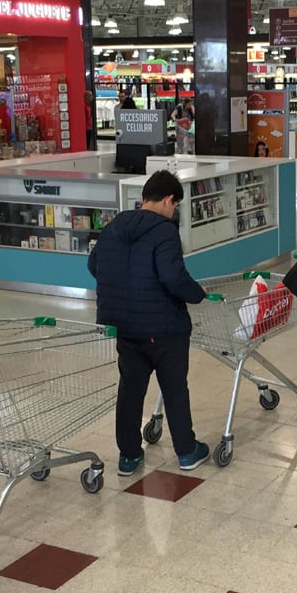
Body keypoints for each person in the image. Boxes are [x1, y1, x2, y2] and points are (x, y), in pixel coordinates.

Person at [88, 170, 209, 475]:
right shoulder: (164, 231)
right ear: (169, 200)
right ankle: (186, 452)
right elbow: (173, 277)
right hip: (164, 329)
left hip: (125, 328)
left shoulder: (115, 225)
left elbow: (94, 264)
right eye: (175, 204)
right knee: (174, 389)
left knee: (131, 390)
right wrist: (198, 294)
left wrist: (123, 288)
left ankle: (129, 455)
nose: (174, 211)